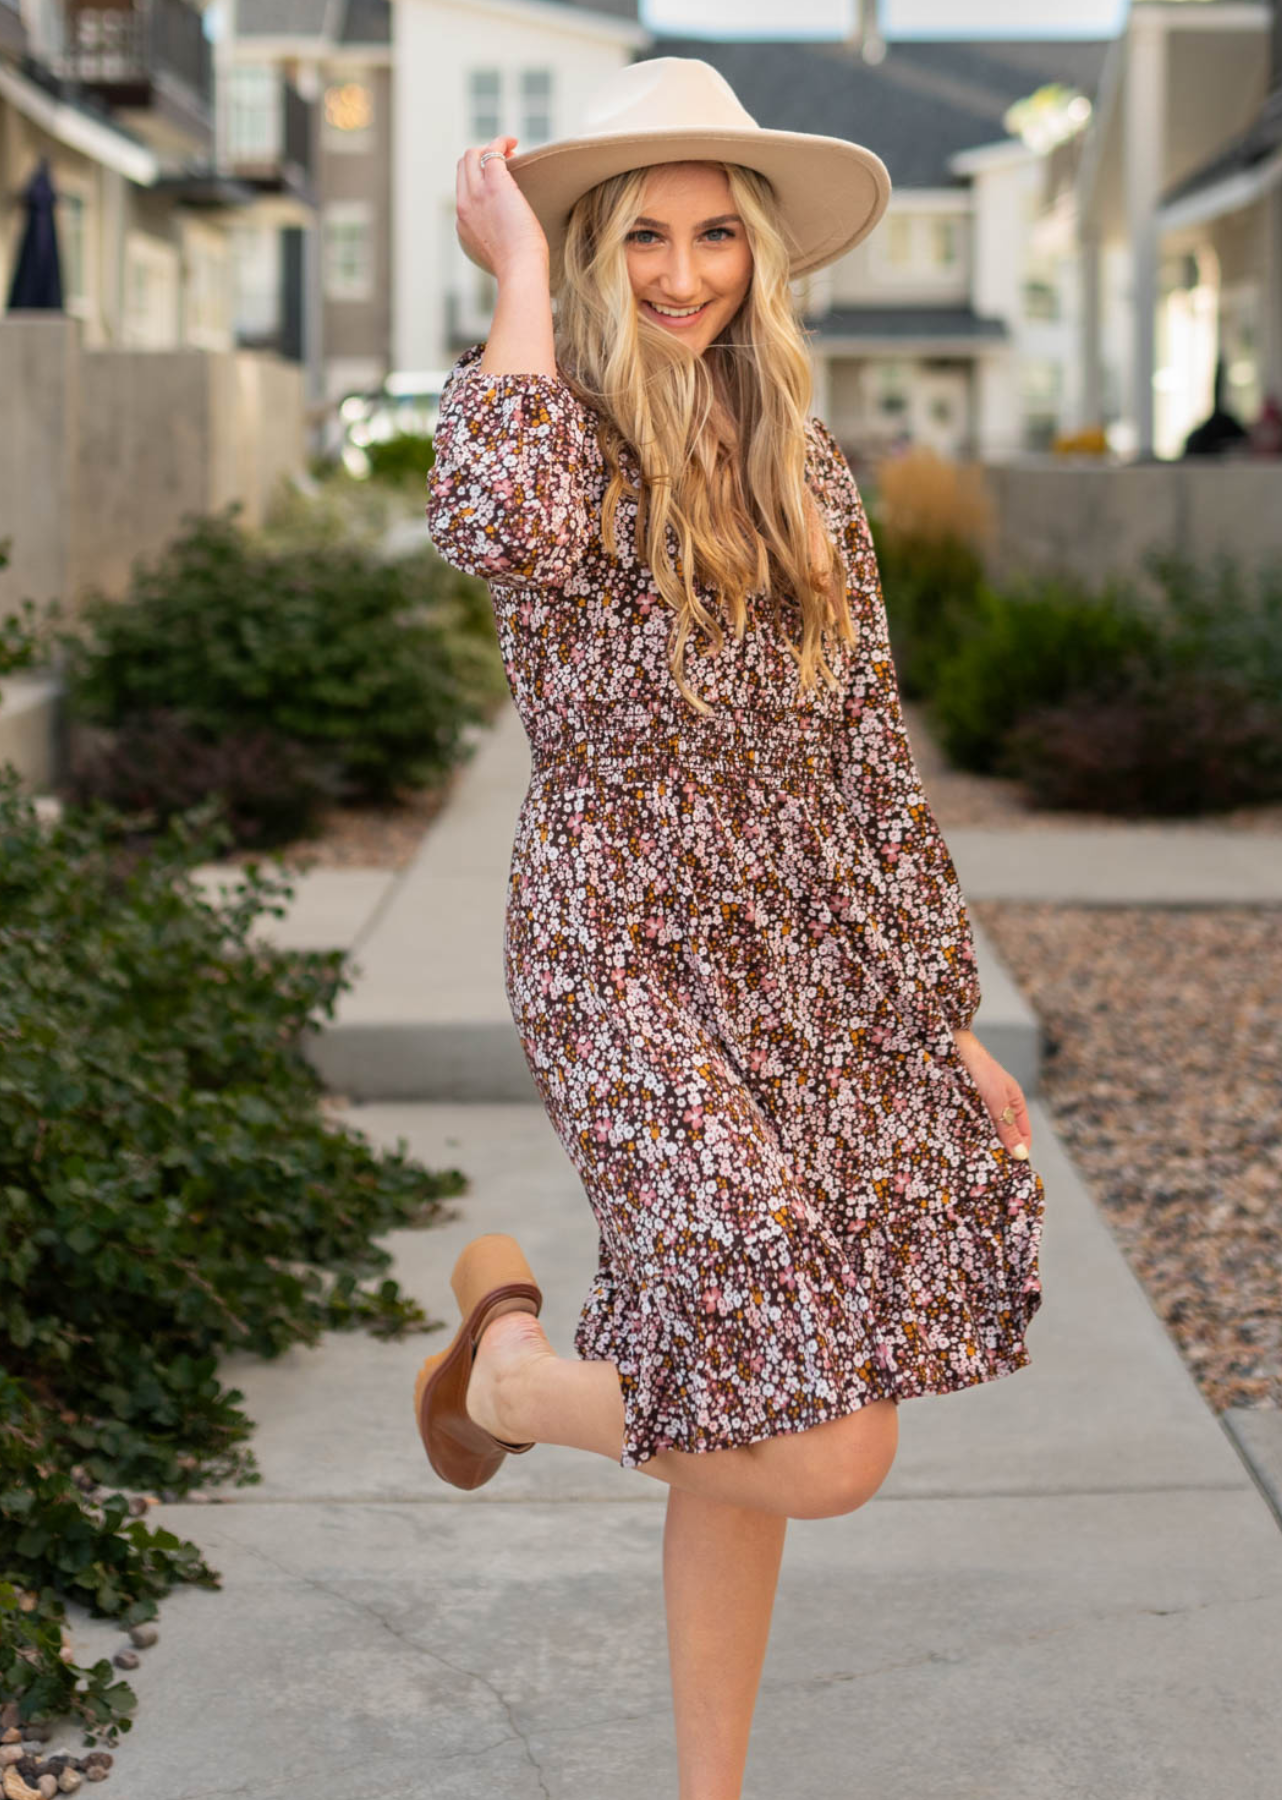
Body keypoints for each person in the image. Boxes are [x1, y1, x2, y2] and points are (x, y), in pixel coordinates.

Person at [414, 57, 1045, 1800]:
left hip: (798, 971)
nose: (683, 272)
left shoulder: (806, 470)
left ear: (761, 255)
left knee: (747, 1409)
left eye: (713, 235)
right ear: (587, 251)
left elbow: (864, 760)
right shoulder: (538, 421)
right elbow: (499, 524)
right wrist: (516, 276)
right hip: (619, 960)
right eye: (638, 238)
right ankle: (511, 1371)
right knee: (820, 1440)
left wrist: (937, 1021)